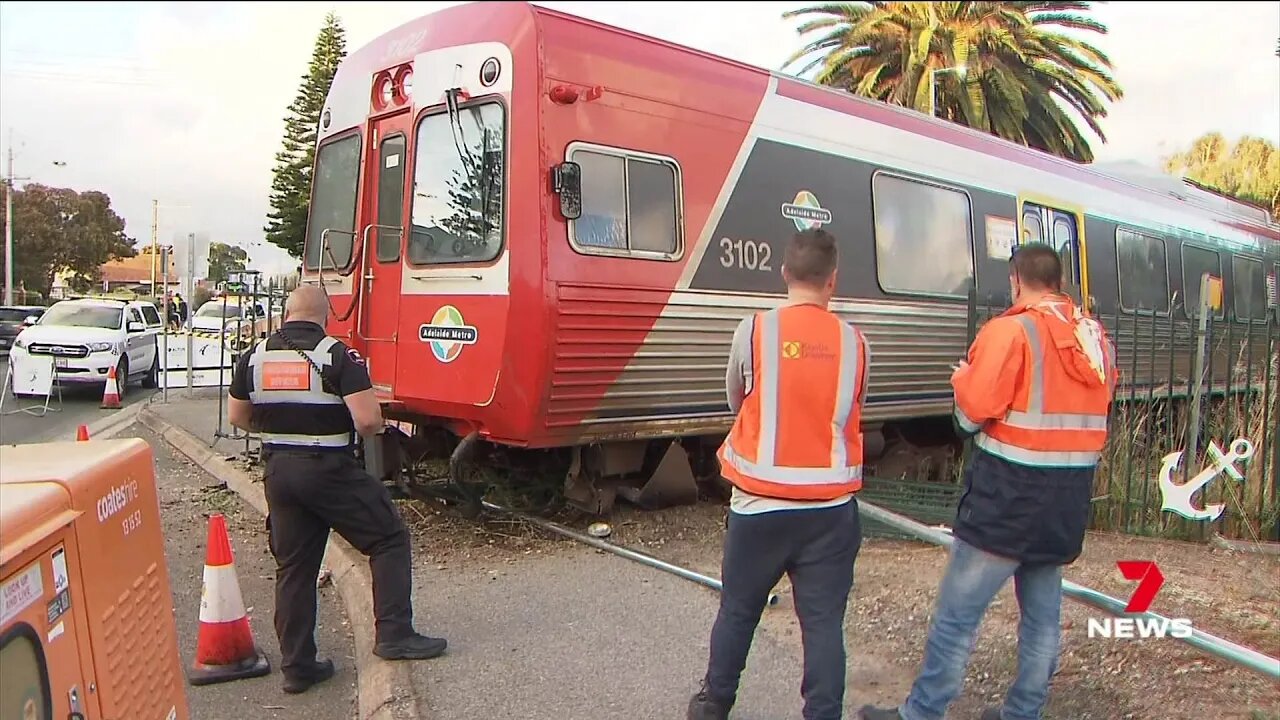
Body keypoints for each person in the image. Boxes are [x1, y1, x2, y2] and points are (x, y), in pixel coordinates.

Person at [859, 243, 1117, 720]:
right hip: (1065, 505)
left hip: (1007, 500)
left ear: (1016, 281)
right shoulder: (1093, 338)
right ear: (1058, 282)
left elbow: (973, 413)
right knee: (1042, 621)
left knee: (957, 618)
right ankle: (1022, 713)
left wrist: (962, 379)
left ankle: (922, 713)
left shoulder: (1012, 331)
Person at [227, 285, 447, 695]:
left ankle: (298, 667)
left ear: (286, 313)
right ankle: (395, 634)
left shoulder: (255, 357)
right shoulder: (337, 354)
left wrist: (282, 430)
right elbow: (367, 421)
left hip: (279, 471)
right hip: (328, 468)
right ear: (325, 316)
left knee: (294, 567)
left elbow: (238, 416)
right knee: (388, 537)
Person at [688, 228, 870, 720]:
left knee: (739, 610)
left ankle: (713, 705)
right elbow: (853, 409)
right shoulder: (855, 344)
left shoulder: (754, 331)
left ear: (785, 273)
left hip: (759, 507)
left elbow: (736, 398)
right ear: (833, 281)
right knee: (823, 624)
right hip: (830, 512)